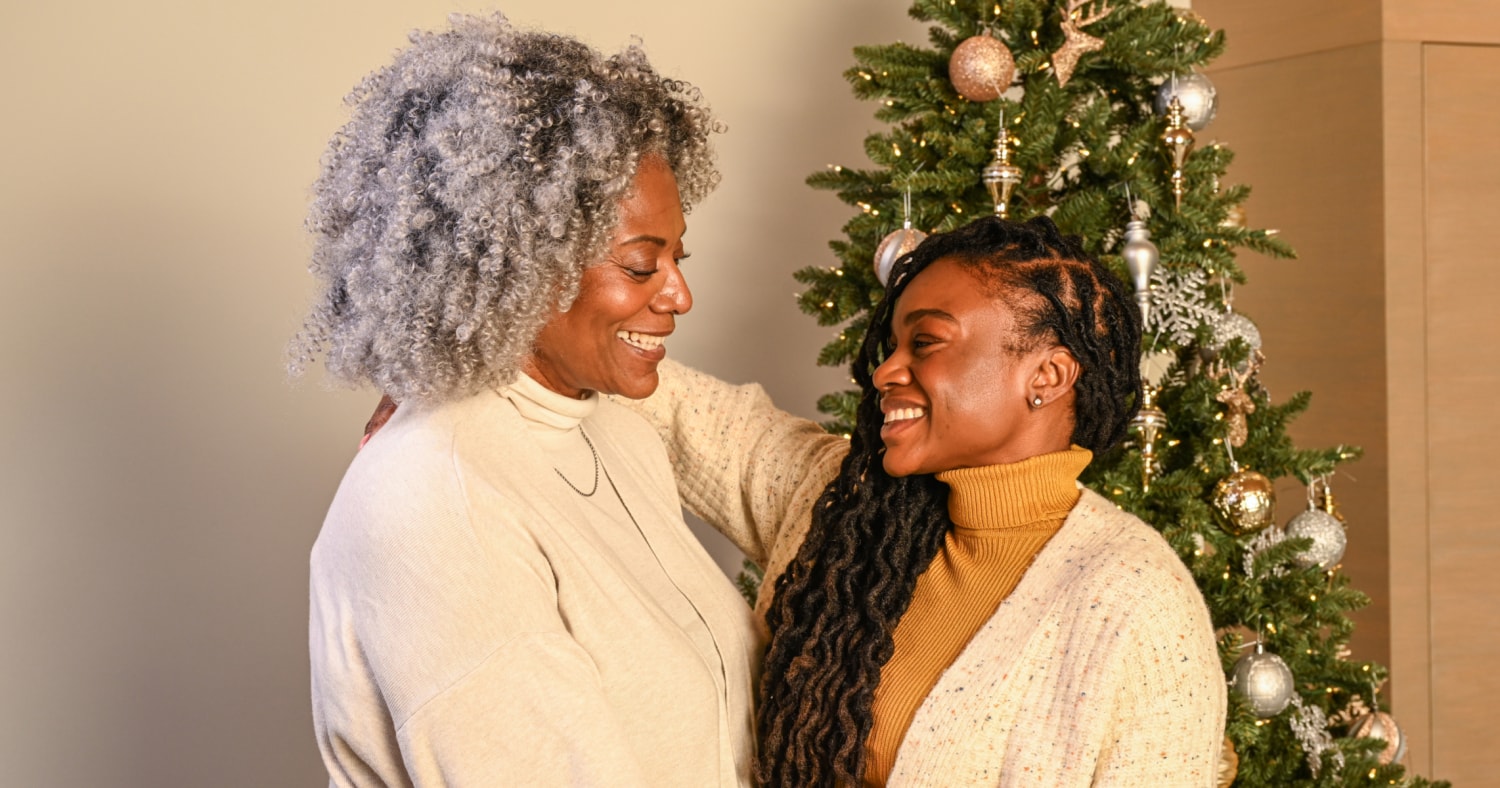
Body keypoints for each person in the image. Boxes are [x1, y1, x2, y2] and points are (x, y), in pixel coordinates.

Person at [292, 14, 768, 786]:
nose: (680, 293)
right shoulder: (435, 499)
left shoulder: (619, 436)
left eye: (678, 257)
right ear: (519, 265)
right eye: (641, 265)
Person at [626, 215, 1225, 786]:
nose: (886, 370)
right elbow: (666, 407)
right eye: (892, 344)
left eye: (927, 342)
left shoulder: (1142, 607)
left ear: (1047, 376)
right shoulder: (843, 502)